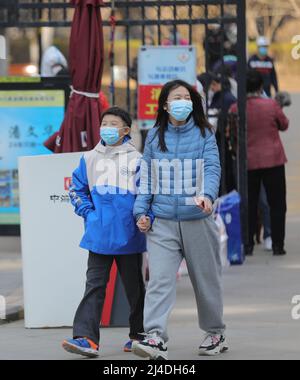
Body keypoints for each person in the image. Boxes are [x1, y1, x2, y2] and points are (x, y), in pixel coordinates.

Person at [131, 79, 227, 360]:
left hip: (197, 217)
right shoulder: (154, 135)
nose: (183, 101)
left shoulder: (204, 133)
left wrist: (207, 196)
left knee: (205, 279)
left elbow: (212, 167)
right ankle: (155, 338)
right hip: (162, 222)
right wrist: (141, 212)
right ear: (165, 104)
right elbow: (146, 178)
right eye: (177, 97)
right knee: (159, 280)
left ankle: (215, 333)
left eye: (187, 96)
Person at [62, 107, 153, 358]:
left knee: (135, 289)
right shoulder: (89, 158)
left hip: (130, 236)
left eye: (114, 124)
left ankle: (139, 334)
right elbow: (76, 189)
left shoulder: (138, 159)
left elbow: (148, 195)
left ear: (126, 130)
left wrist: (146, 218)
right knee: (94, 286)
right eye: (104, 123)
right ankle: (86, 338)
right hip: (99, 235)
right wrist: (90, 214)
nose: (107, 128)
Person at [230, 70, 289, 256]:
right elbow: (284, 124)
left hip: (249, 161)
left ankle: (247, 243)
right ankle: (278, 244)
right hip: (273, 160)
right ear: (261, 87)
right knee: (277, 203)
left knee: (250, 202)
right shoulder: (271, 105)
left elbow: (231, 133)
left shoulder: (235, 108)